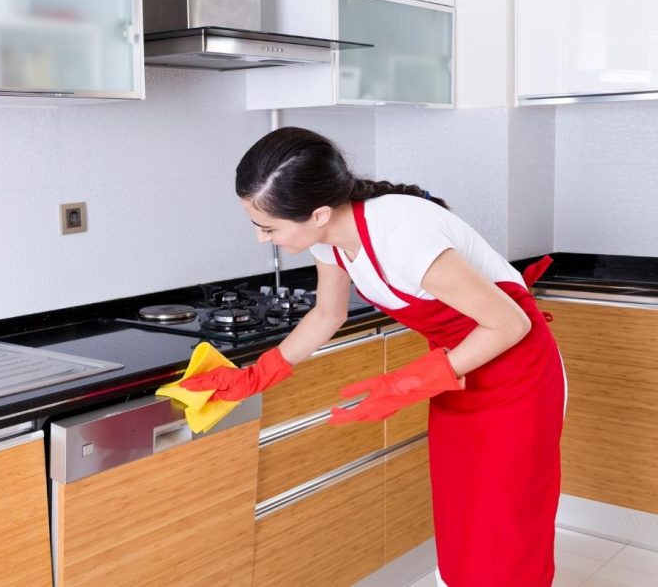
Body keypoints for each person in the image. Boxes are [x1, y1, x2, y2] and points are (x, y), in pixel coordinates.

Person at [181, 127, 566, 587]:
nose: (263, 239)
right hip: (460, 374)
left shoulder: (401, 236)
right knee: (464, 521)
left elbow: (510, 325)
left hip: (517, 376)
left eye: (270, 228)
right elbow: (327, 314)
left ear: (318, 213)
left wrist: (408, 383)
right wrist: (257, 375)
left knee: (505, 531)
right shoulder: (330, 237)